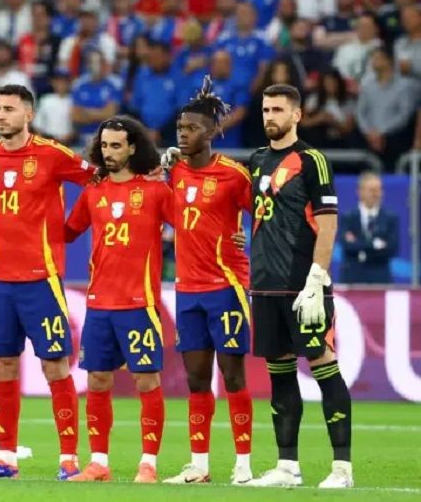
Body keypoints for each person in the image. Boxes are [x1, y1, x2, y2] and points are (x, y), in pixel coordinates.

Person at [0, 84, 92, 480]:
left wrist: (70, 230)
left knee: (54, 365)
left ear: (29, 115)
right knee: (2, 365)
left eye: (9, 109)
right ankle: (6, 458)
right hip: (0, 281)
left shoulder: (52, 155)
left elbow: (100, 182)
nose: (1, 115)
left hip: (42, 281)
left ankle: (68, 459)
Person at [246, 84, 352, 489]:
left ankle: (341, 469)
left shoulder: (312, 160)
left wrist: (316, 278)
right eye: (265, 109)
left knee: (324, 365)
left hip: (301, 285)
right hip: (265, 286)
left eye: (277, 109)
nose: (269, 116)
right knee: (279, 374)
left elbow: (328, 224)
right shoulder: (257, 160)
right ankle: (287, 466)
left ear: (296, 115)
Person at [64, 115, 174, 483]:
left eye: (116, 146)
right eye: (104, 145)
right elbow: (67, 232)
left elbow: (191, 226)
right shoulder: (93, 192)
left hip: (139, 304)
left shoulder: (155, 192)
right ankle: (98, 463)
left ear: (132, 148)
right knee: (97, 380)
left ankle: (148, 464)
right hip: (99, 304)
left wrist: (232, 235)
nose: (108, 152)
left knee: (146, 381)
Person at [162, 79, 256, 485]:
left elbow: (265, 215)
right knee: (197, 379)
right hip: (187, 290)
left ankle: (244, 465)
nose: (183, 134)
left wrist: (248, 236)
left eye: (192, 128)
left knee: (232, 376)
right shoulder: (174, 172)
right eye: (180, 128)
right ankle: (199, 465)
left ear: (213, 131)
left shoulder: (234, 175)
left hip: (226, 287)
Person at [338, 172, 398, 285]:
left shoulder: (390, 218)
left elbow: (392, 248)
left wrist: (360, 248)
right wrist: (375, 245)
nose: (376, 194)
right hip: (352, 278)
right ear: (360, 192)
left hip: (380, 278)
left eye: (378, 190)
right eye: (371, 190)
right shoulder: (348, 217)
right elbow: (347, 245)